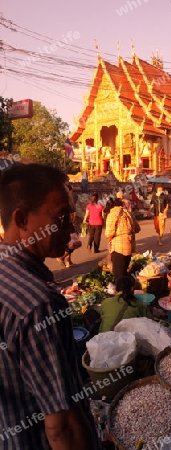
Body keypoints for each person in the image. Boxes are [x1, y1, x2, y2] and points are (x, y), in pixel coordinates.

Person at [0, 163, 99, 449]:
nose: (71, 227)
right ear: (21, 219)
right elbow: (62, 428)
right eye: (61, 217)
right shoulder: (39, 304)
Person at [105, 197, 141, 281]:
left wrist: (118, 234)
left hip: (118, 247)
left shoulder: (113, 214)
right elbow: (137, 229)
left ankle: (122, 292)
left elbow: (108, 234)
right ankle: (127, 291)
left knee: (118, 276)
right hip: (129, 247)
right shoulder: (127, 213)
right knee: (124, 273)